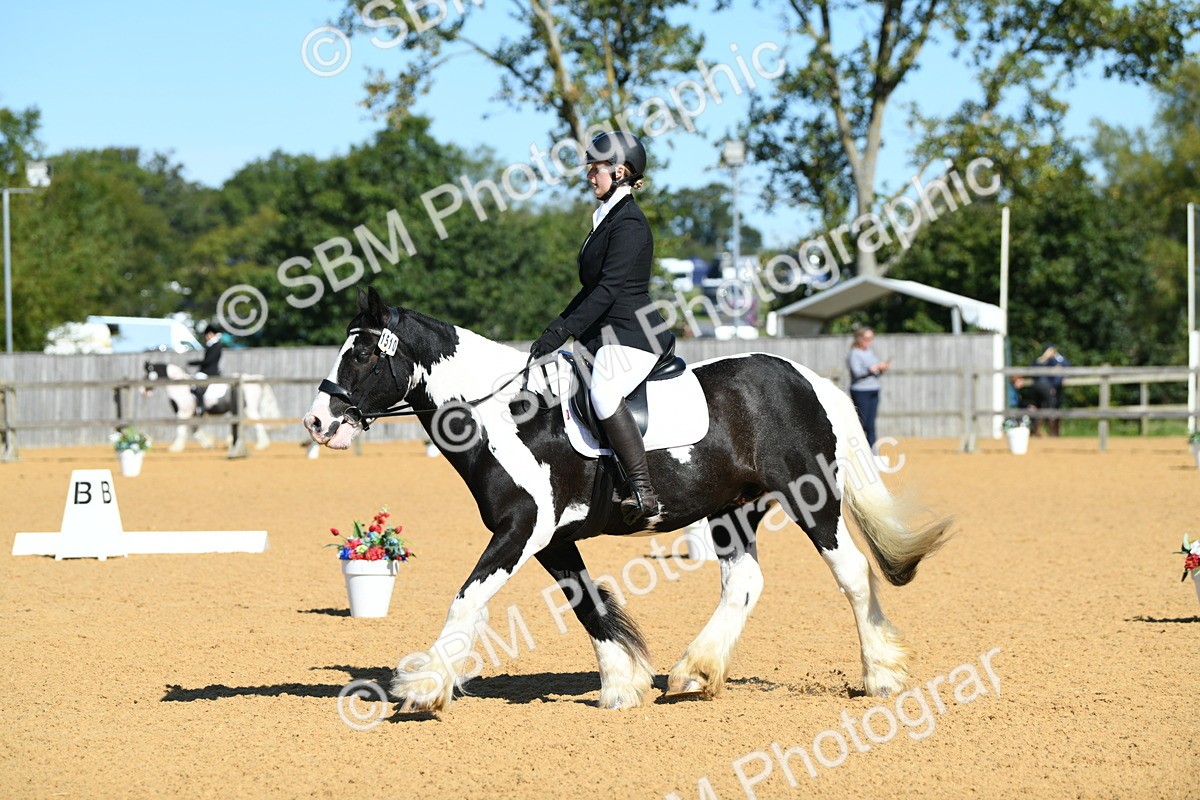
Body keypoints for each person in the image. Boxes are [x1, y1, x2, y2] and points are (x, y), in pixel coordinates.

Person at [529, 131, 675, 525]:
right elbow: (590, 291)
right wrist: (555, 329)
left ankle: (643, 490)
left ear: (621, 171)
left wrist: (563, 332)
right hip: (604, 332)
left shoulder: (629, 222)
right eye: (590, 169)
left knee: (605, 392)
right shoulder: (605, 218)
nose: (590, 176)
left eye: (596, 169)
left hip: (632, 333)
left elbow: (610, 290)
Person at [847, 327, 890, 448]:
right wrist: (871, 369)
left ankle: (872, 452)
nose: (869, 341)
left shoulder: (869, 352)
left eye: (871, 338)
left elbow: (876, 373)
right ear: (859, 338)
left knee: (871, 424)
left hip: (874, 389)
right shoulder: (854, 353)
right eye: (866, 338)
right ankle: (858, 450)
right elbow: (857, 372)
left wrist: (881, 368)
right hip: (861, 391)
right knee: (862, 423)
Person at [1027, 344, 1070, 436]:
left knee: (1043, 407)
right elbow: (1065, 365)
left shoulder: (1045, 360)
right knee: (1050, 407)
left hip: (1039, 386)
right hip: (1045, 386)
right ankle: (1050, 432)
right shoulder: (1050, 360)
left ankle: (1040, 430)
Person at [188, 323, 224, 413]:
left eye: (207, 335)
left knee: (196, 384)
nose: (206, 337)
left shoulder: (216, 346)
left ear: (211, 334)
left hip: (210, 372)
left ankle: (201, 407)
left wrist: (194, 362)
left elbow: (208, 361)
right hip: (206, 371)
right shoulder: (212, 346)